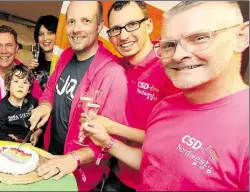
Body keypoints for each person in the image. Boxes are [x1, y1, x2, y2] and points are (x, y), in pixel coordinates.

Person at [85, 1, 249, 191]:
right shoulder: (165, 107)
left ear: (242, 37)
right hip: (115, 170)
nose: (178, 55)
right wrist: (107, 141)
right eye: (170, 44)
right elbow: (154, 162)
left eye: (199, 38)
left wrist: (112, 128)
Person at [28, 1, 128, 191]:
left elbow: (112, 141)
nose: (76, 29)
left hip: (82, 175)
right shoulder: (65, 56)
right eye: (71, 22)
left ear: (99, 26)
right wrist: (45, 106)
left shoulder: (113, 74)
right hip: (51, 157)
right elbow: (50, 90)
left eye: (85, 21)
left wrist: (74, 158)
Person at [94, 1, 180, 191]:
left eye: (132, 24)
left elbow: (169, 140)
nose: (123, 36)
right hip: (114, 170)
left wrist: (110, 127)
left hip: (147, 181)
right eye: (115, 29)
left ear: (148, 25)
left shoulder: (170, 67)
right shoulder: (117, 67)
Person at [0, 25, 43, 104]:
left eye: (9, 45)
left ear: (16, 48)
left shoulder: (27, 75)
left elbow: (40, 103)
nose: (3, 51)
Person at [0, 65, 41, 145]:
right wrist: (10, 140)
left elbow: (43, 124)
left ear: (29, 88)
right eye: (16, 81)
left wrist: (37, 133)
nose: (21, 86)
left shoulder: (34, 102)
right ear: (7, 85)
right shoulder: (1, 107)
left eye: (25, 82)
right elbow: (0, 132)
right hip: (11, 146)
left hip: (33, 146)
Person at [26, 15, 58, 90]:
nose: (45, 38)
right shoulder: (35, 64)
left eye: (50, 33)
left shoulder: (64, 64)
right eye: (41, 34)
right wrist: (27, 73)